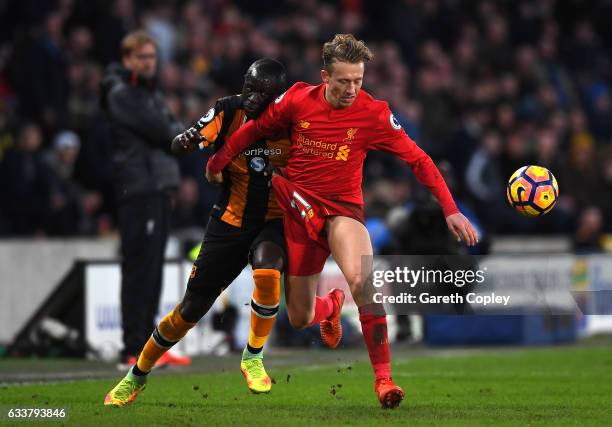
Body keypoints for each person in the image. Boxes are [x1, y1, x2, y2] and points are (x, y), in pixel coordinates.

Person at [206, 34, 479, 409]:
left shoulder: (374, 113)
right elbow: (255, 131)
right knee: (301, 317)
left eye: (358, 80)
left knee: (362, 283)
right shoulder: (297, 100)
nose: (352, 89)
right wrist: (217, 161)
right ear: (325, 76)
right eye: (344, 81)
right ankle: (331, 307)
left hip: (342, 211)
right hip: (299, 213)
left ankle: (384, 381)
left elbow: (419, 160)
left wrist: (450, 208)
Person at [104, 58, 290, 407]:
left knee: (268, 268)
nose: (251, 98)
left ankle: (252, 356)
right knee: (189, 310)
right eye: (249, 89)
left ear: (278, 97)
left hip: (273, 220)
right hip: (230, 221)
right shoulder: (227, 110)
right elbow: (182, 142)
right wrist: (187, 140)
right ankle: (137, 375)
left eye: (262, 94)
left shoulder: (294, 122)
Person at [99, 31, 189, 369]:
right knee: (139, 269)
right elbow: (165, 130)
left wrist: (171, 126)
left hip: (157, 187)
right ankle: (131, 348)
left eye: (151, 57)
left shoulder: (147, 92)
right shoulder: (123, 93)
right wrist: (170, 126)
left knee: (152, 271)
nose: (148, 63)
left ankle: (148, 348)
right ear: (127, 60)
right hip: (139, 188)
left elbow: (172, 128)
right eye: (141, 57)